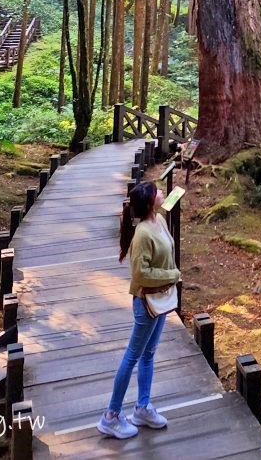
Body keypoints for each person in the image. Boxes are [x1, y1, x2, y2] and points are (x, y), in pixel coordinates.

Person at [97, 178, 181, 439]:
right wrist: (171, 275)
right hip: (146, 302)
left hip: (162, 299)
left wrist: (170, 277)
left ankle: (142, 408)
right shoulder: (143, 233)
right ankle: (110, 416)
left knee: (149, 354)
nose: (162, 194)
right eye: (157, 192)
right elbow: (140, 274)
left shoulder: (160, 221)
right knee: (133, 355)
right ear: (149, 201)